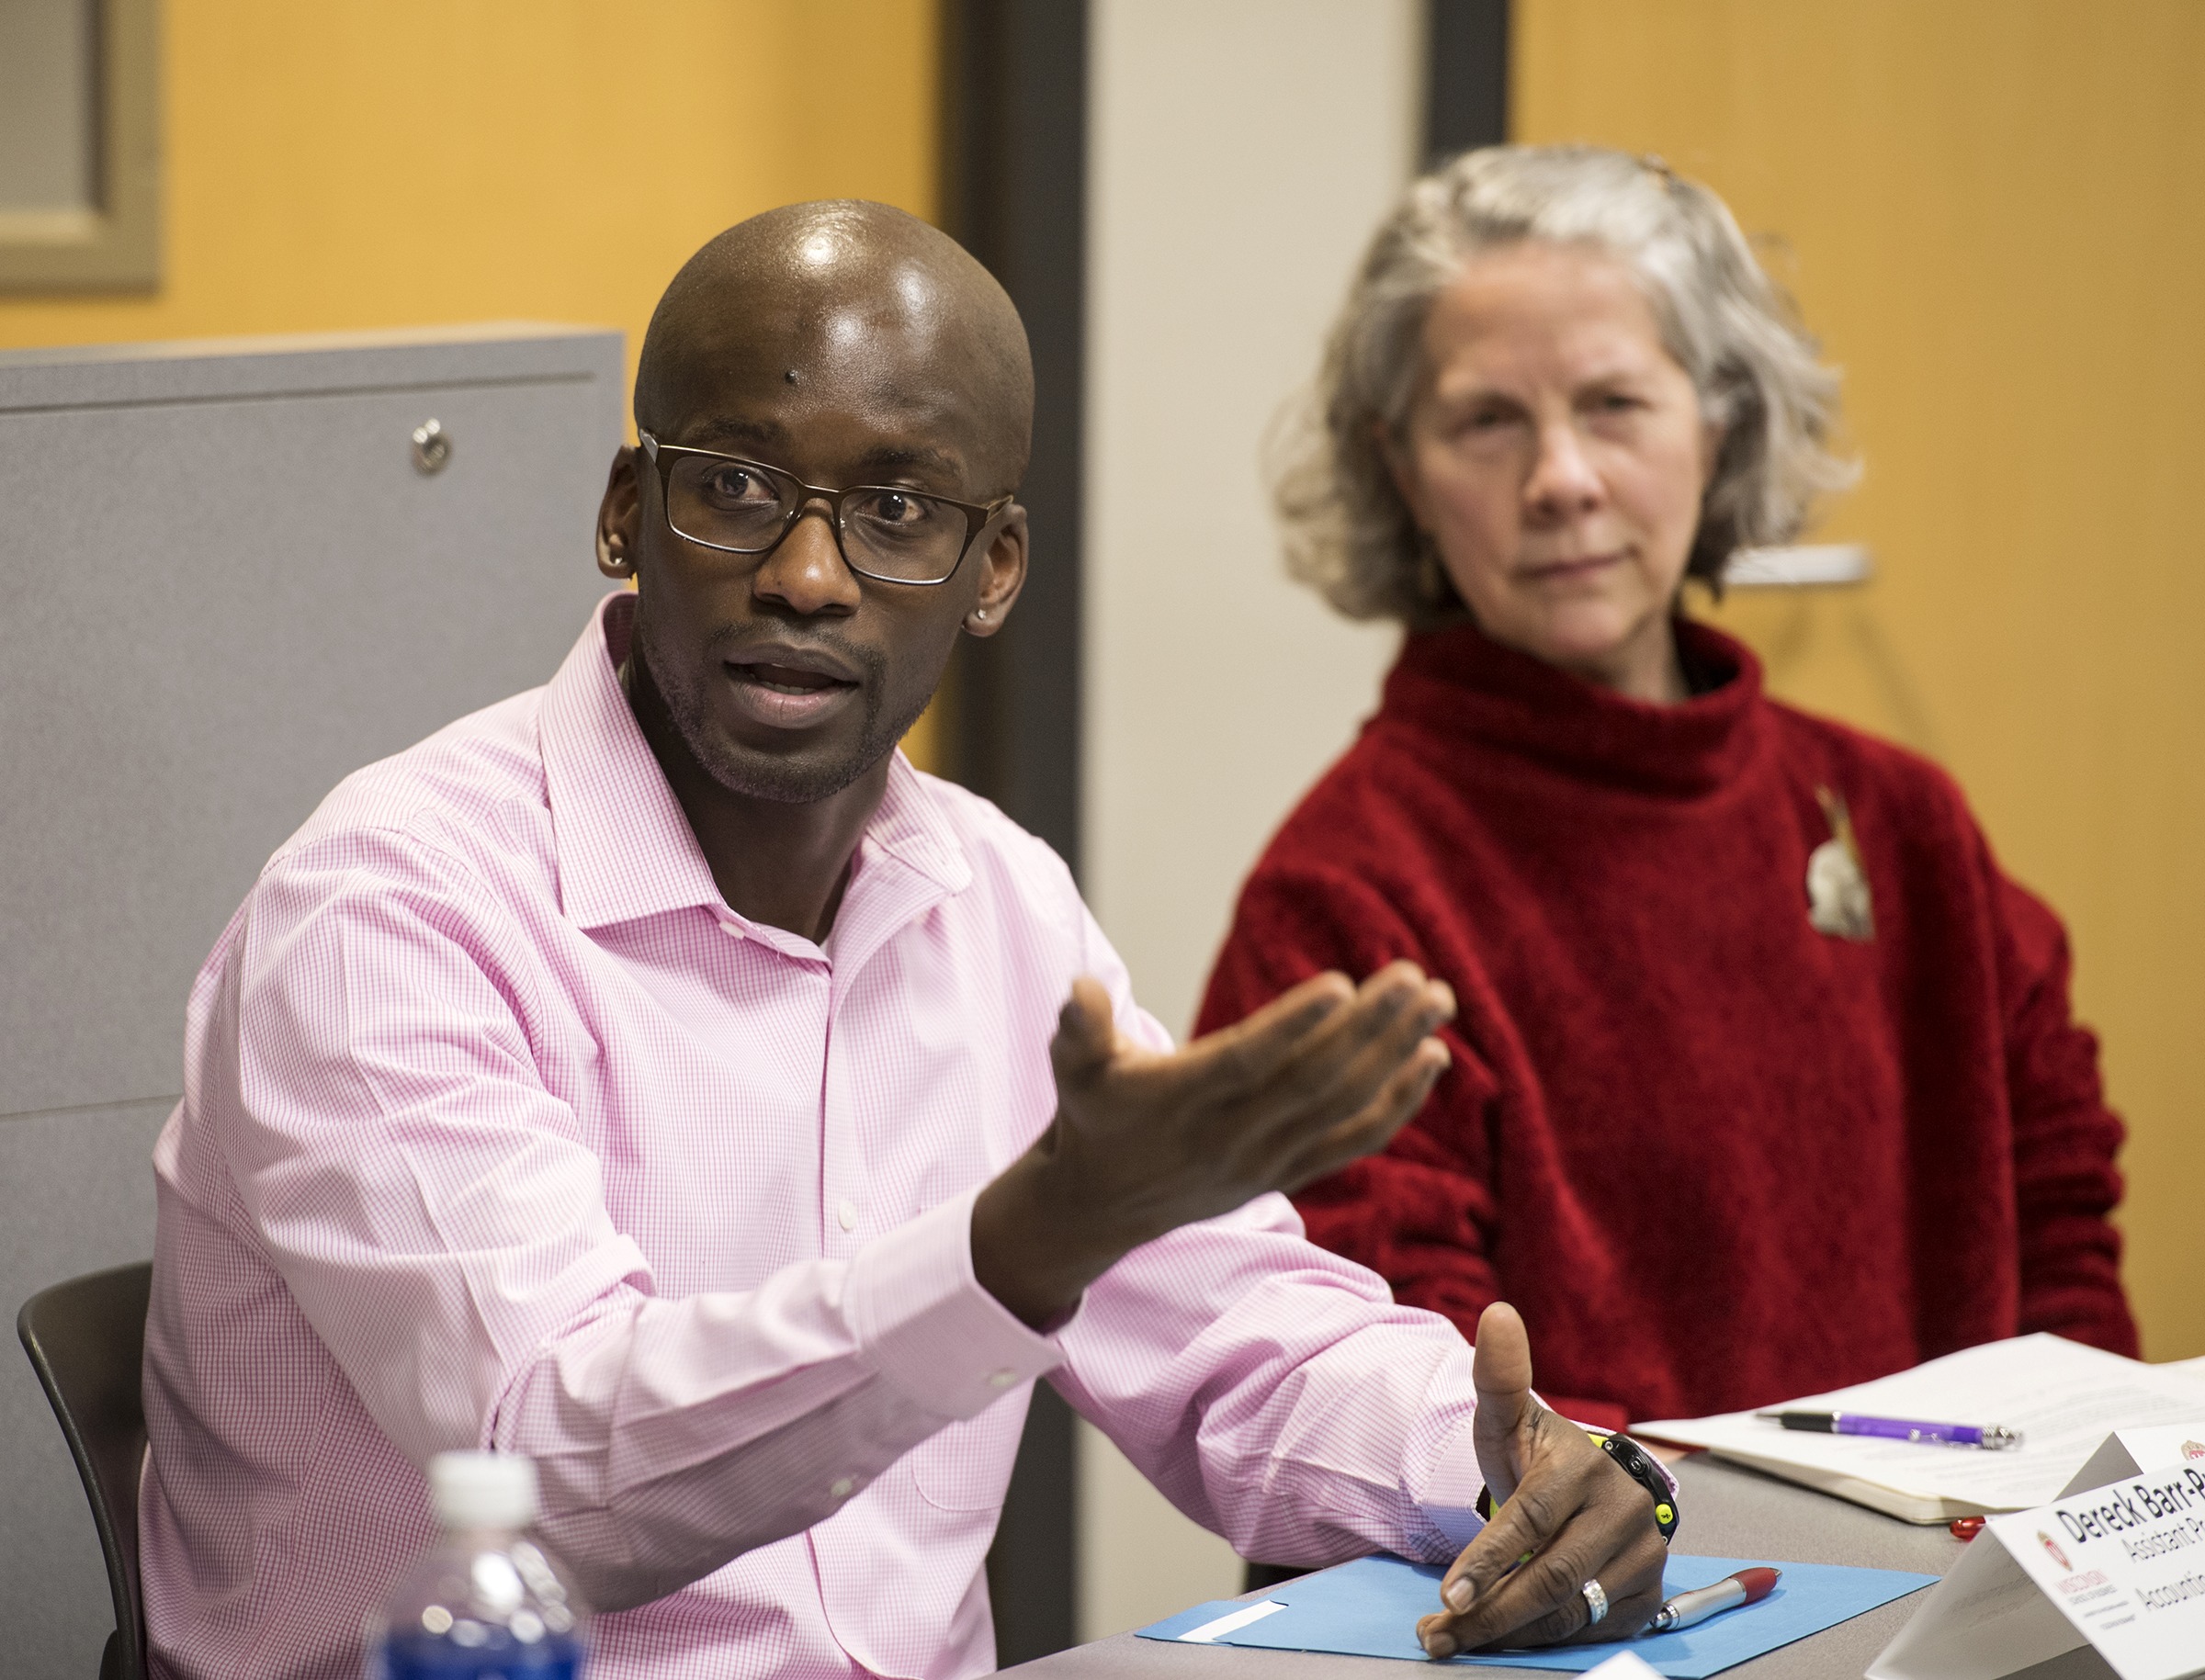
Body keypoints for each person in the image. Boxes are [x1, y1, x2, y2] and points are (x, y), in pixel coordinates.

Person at [140, 201, 1669, 1680]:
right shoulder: (386, 905)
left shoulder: (993, 898)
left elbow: (1238, 1336)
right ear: (625, 511)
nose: (807, 575)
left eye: (895, 512)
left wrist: (1504, 1458)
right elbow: (548, 1460)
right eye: (736, 485)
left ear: (993, 567)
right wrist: (1022, 1245)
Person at [1196, 145, 2137, 1434]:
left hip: (1959, 1612)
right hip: (1579, 1619)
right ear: (1404, 472)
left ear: (1722, 422)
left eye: (1615, 404)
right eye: (1487, 420)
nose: (1562, 479)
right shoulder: (1344, 893)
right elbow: (1377, 1390)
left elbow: (2066, 1244)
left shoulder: (1901, 819)